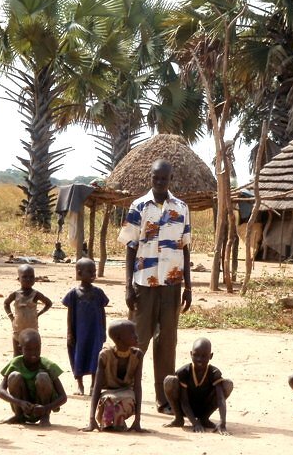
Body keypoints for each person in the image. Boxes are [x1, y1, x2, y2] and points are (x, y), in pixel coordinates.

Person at [118, 158, 192, 414]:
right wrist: (128, 286)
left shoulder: (182, 208)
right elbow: (130, 248)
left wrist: (188, 287)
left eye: (164, 178)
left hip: (171, 284)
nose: (159, 182)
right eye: (155, 178)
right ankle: (125, 392)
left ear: (170, 179)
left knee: (167, 343)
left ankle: (164, 400)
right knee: (136, 341)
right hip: (144, 284)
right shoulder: (138, 207)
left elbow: (185, 249)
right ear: (151, 177)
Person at [82, 319, 145, 432]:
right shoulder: (105, 355)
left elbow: (137, 386)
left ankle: (117, 422)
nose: (136, 336)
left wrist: (137, 420)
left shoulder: (137, 355)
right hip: (109, 394)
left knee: (123, 403)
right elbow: (97, 387)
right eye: (132, 333)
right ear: (119, 338)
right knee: (109, 403)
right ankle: (114, 423)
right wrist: (91, 419)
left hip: (128, 393)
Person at [0, 328, 67, 426]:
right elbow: (0, 391)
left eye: (36, 349)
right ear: (20, 349)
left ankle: (45, 417)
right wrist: (19, 402)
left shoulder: (47, 365)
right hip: (22, 405)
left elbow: (63, 397)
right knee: (14, 376)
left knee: (43, 377)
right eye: (29, 349)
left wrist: (46, 408)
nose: (33, 353)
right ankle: (19, 415)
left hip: (42, 407)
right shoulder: (15, 363)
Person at [163, 337, 233, 435]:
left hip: (204, 407)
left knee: (227, 384)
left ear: (211, 356)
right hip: (185, 409)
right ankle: (178, 419)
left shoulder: (214, 373)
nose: (199, 359)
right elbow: (184, 402)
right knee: (169, 381)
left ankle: (204, 419)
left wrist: (222, 422)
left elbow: (220, 399)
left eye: (204, 356)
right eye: (196, 355)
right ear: (191, 354)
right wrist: (195, 423)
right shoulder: (184, 372)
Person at [62, 257, 108, 396]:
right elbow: (70, 315)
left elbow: (102, 312)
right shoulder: (74, 294)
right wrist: (70, 332)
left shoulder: (98, 293)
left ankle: (94, 385)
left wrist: (103, 331)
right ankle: (79, 384)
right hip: (79, 332)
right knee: (78, 355)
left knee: (96, 356)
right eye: (90, 271)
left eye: (94, 271)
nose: (93, 274)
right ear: (80, 273)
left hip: (95, 332)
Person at [4, 264, 52, 356]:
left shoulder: (36, 294)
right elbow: (6, 303)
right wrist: (11, 317)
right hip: (18, 328)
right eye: (24, 277)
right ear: (19, 279)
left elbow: (48, 303)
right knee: (17, 353)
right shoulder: (16, 294)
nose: (28, 279)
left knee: (33, 352)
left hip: (32, 328)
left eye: (31, 277)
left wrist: (38, 314)